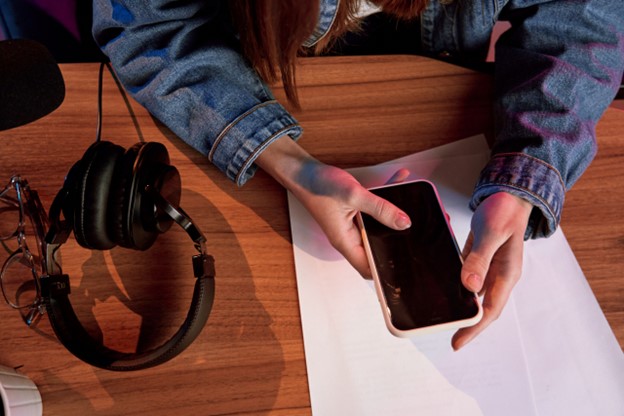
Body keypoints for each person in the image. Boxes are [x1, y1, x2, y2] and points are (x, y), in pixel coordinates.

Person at [90, 0, 624, 350]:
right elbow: (149, 26)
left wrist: (527, 175)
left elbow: (584, 20)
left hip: (432, 89)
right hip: (248, 71)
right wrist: (287, 162)